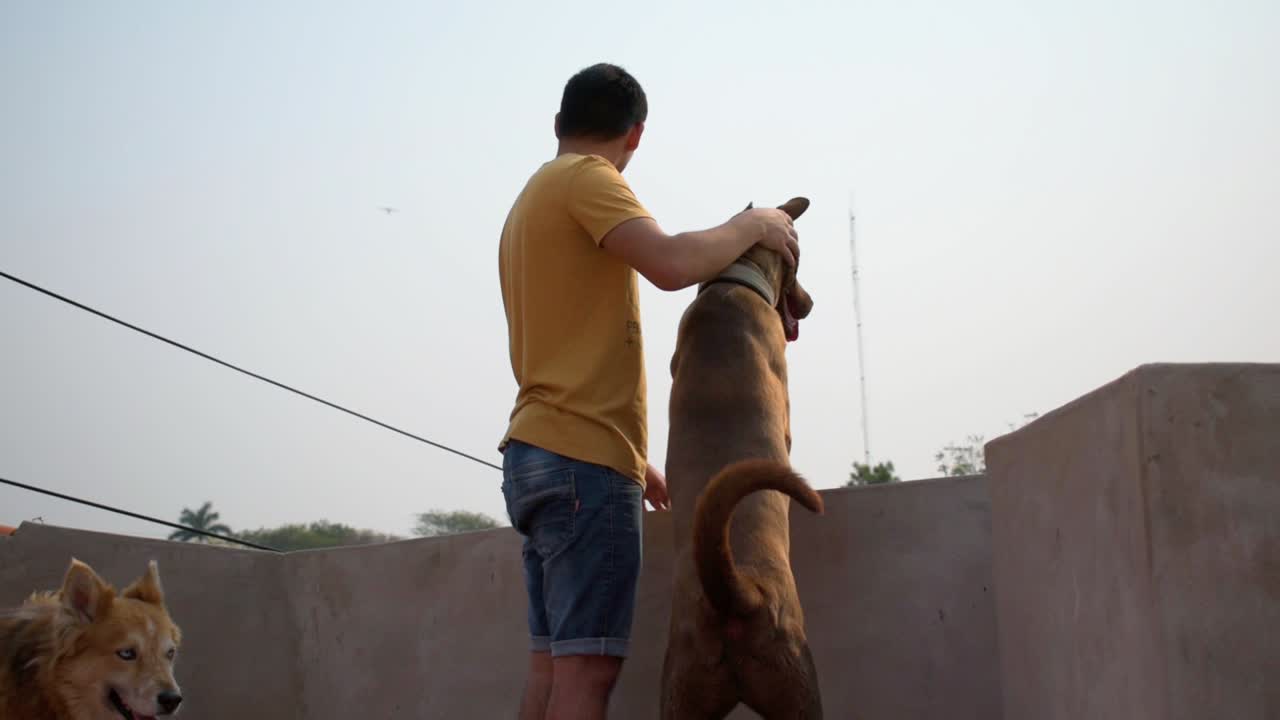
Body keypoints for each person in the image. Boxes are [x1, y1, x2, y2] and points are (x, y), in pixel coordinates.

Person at [496, 62, 799, 720]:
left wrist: (634, 461)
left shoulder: (529, 200)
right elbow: (670, 264)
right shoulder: (587, 180)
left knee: (549, 669)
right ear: (636, 135)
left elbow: (565, 348)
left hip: (536, 454)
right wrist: (755, 227)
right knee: (587, 675)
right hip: (581, 466)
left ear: (557, 124)